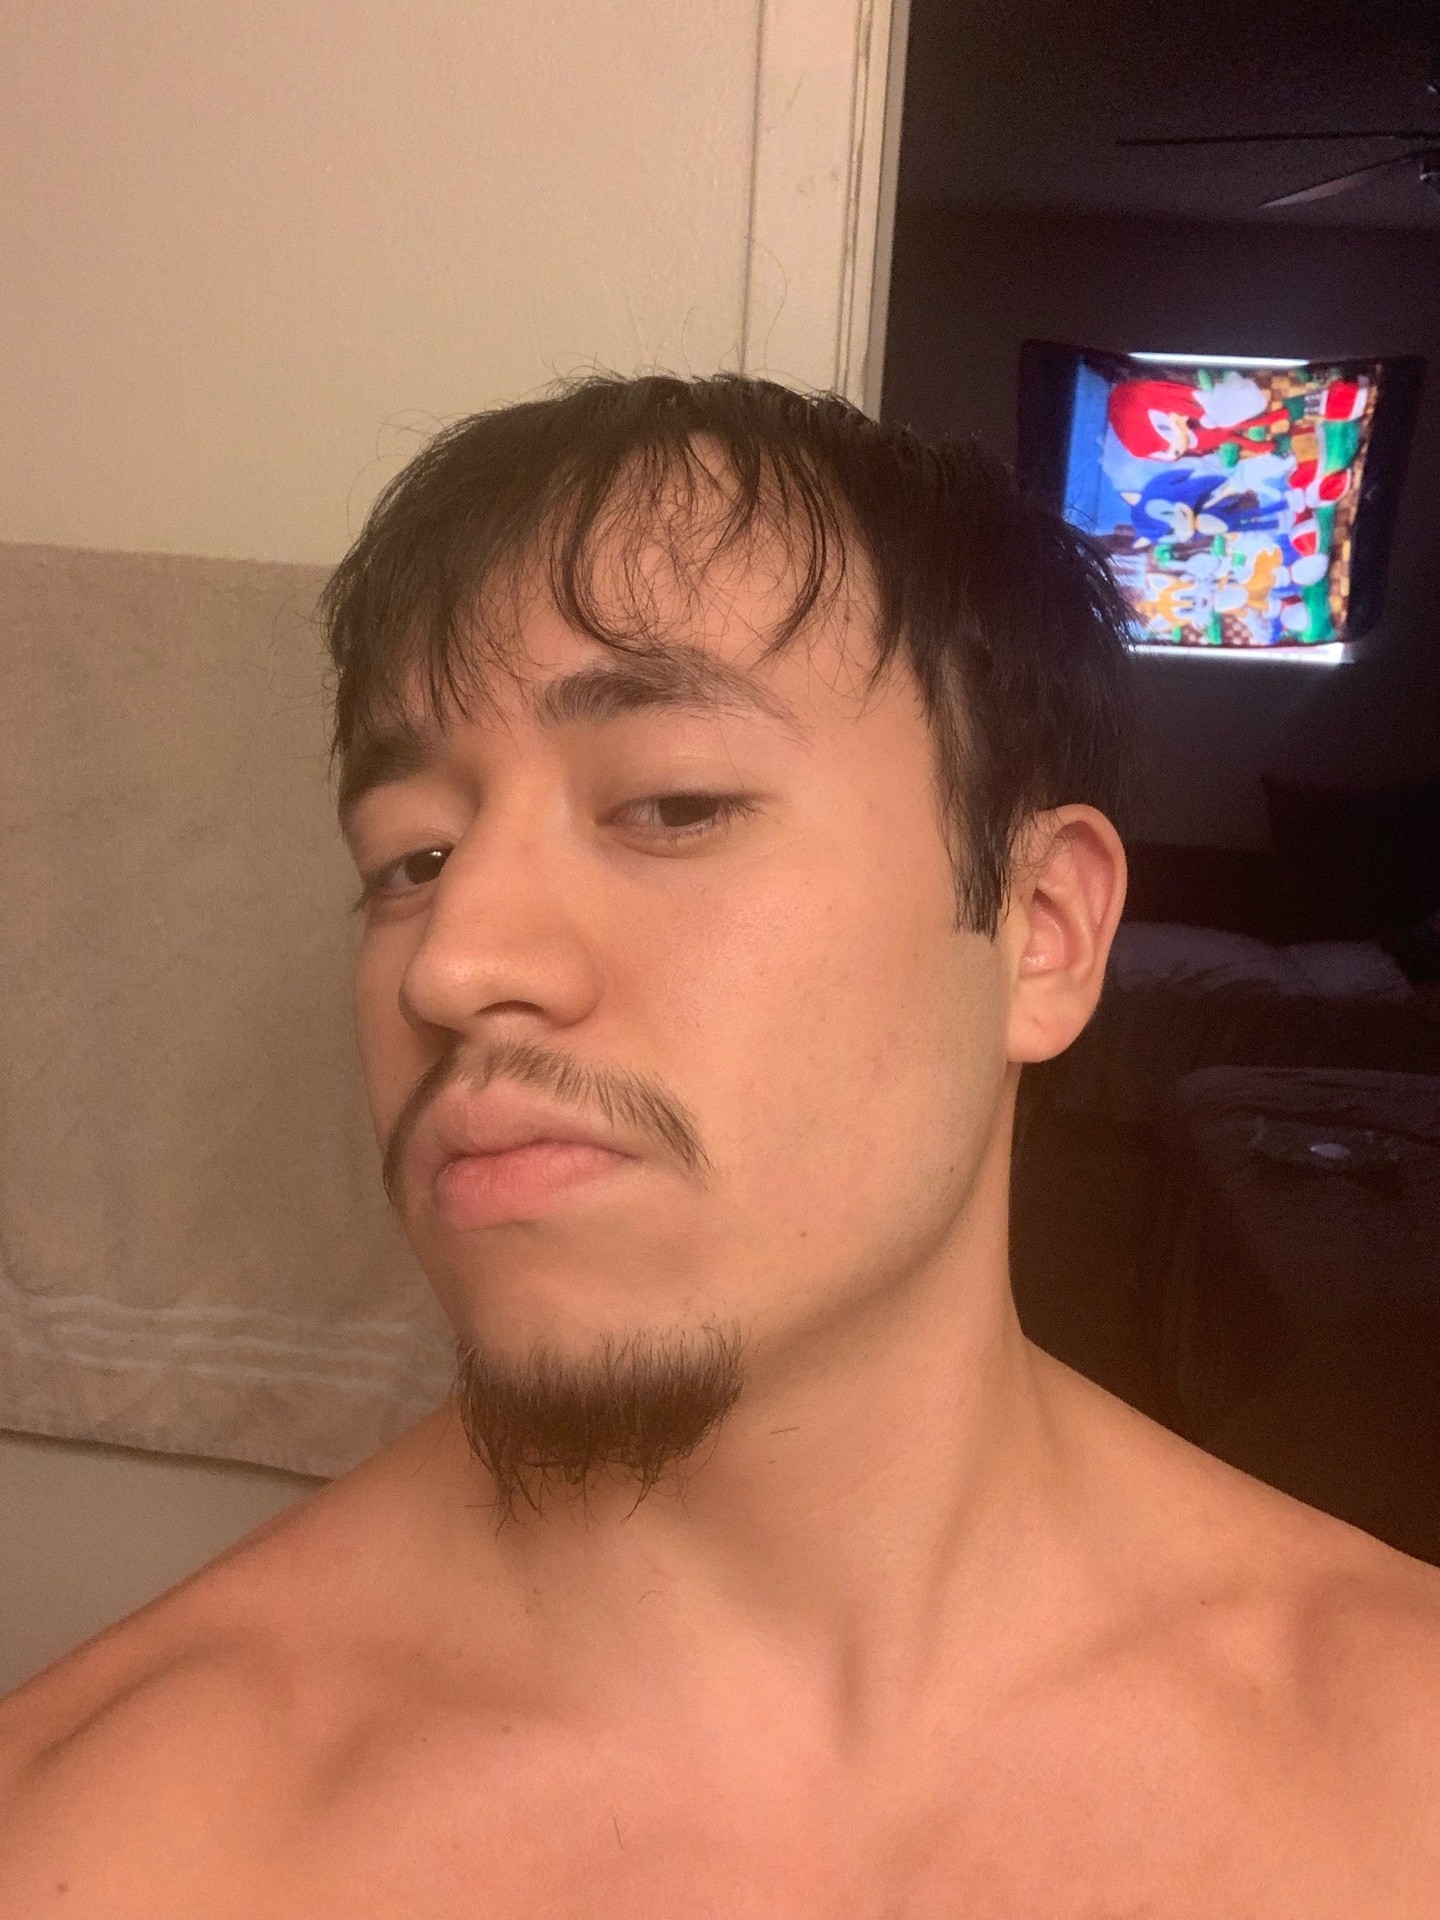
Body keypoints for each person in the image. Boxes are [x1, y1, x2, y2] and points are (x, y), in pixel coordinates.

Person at [1, 374, 1437, 1917]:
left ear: (1042, 932)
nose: (452, 963)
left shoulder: (1395, 1768)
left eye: (674, 806)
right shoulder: (97, 1839)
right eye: (409, 858)